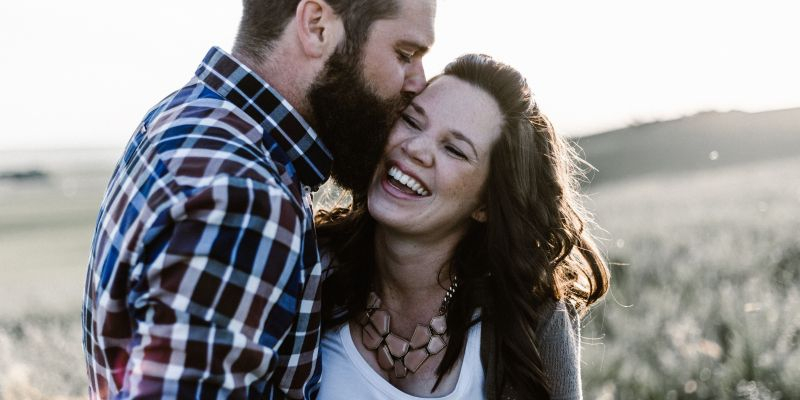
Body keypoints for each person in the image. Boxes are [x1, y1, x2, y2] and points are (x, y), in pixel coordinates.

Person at [81, 0, 435, 398]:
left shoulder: (187, 115)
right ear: (317, 26)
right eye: (405, 54)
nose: (418, 82)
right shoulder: (246, 195)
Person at [315, 54, 610, 399]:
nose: (415, 148)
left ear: (485, 204)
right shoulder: (309, 264)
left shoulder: (531, 320)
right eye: (412, 121)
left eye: (454, 149)